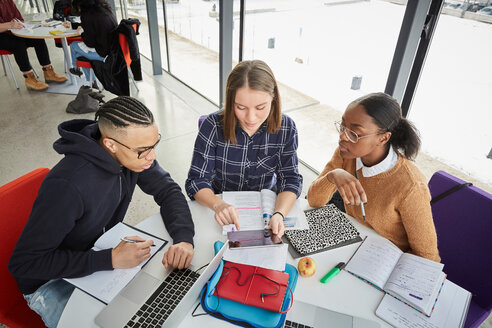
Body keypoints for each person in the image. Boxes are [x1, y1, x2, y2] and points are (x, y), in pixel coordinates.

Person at [8, 96, 195, 328]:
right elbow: (24, 264)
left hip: (98, 255)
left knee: (159, 307)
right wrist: (109, 259)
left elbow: (168, 190)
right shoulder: (68, 185)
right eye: (144, 150)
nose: (152, 156)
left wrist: (184, 238)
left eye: (154, 145)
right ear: (110, 145)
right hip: (50, 282)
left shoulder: (131, 156)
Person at [307, 92, 440, 262]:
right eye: (342, 127)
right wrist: (332, 176)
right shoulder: (346, 154)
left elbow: (428, 257)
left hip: (388, 260)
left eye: (354, 133)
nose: (342, 137)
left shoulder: (410, 185)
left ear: (383, 138)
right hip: (353, 244)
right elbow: (314, 201)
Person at [185, 60, 303, 237]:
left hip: (264, 206)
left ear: (274, 99)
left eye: (260, 107)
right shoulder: (212, 126)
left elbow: (290, 179)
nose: (251, 118)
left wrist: (279, 214)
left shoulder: (286, 127)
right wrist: (218, 204)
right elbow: (196, 180)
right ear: (231, 101)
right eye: (240, 107)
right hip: (218, 205)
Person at [0, 0, 67, 90]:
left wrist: (17, 22)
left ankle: (48, 72)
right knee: (18, 44)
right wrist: (10, 24)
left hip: (12, 31)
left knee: (36, 38)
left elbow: (18, 18)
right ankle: (29, 78)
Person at [65, 0, 118, 84]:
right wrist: (73, 25)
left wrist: (81, 33)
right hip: (114, 51)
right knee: (80, 54)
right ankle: (85, 76)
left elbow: (90, 43)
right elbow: (94, 25)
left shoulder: (87, 15)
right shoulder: (105, 9)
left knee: (74, 47)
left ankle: (78, 70)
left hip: (103, 55)